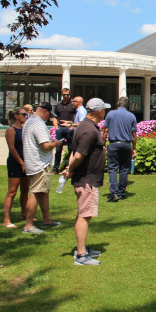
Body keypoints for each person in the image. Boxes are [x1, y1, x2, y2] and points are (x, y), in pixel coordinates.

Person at [64, 98, 110, 265]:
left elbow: (76, 152)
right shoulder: (89, 130)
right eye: (104, 110)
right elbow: (78, 155)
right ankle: (81, 255)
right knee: (85, 215)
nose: (105, 113)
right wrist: (70, 169)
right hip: (86, 180)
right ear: (99, 112)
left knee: (83, 213)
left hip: (86, 178)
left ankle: (82, 248)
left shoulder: (85, 126)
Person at [21, 101, 64, 234]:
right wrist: (56, 143)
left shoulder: (29, 121)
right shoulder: (38, 124)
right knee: (36, 192)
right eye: (49, 115)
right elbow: (45, 145)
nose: (49, 118)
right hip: (39, 164)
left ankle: (47, 220)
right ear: (45, 111)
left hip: (34, 162)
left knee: (43, 192)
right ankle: (28, 225)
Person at [103, 96, 137, 202]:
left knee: (112, 168)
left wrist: (102, 144)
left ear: (118, 103)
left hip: (114, 144)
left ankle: (114, 193)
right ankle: (121, 193)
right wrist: (134, 148)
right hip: (126, 144)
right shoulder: (131, 116)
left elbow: (105, 131)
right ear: (128, 105)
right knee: (124, 169)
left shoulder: (111, 114)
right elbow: (134, 135)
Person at [3, 107, 29, 228]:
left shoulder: (24, 129)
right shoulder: (11, 130)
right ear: (16, 116)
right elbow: (12, 149)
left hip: (25, 162)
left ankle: (24, 214)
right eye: (24, 114)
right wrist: (21, 163)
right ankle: (6, 220)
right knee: (12, 191)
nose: (26, 116)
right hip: (15, 163)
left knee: (25, 190)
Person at [51, 88, 76, 170]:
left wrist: (72, 126)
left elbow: (76, 116)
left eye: (67, 95)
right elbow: (55, 117)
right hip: (60, 128)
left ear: (69, 94)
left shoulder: (73, 104)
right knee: (58, 150)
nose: (66, 96)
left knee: (71, 149)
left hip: (69, 128)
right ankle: (56, 168)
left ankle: (69, 167)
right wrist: (56, 128)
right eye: (64, 95)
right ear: (61, 94)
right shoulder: (58, 105)